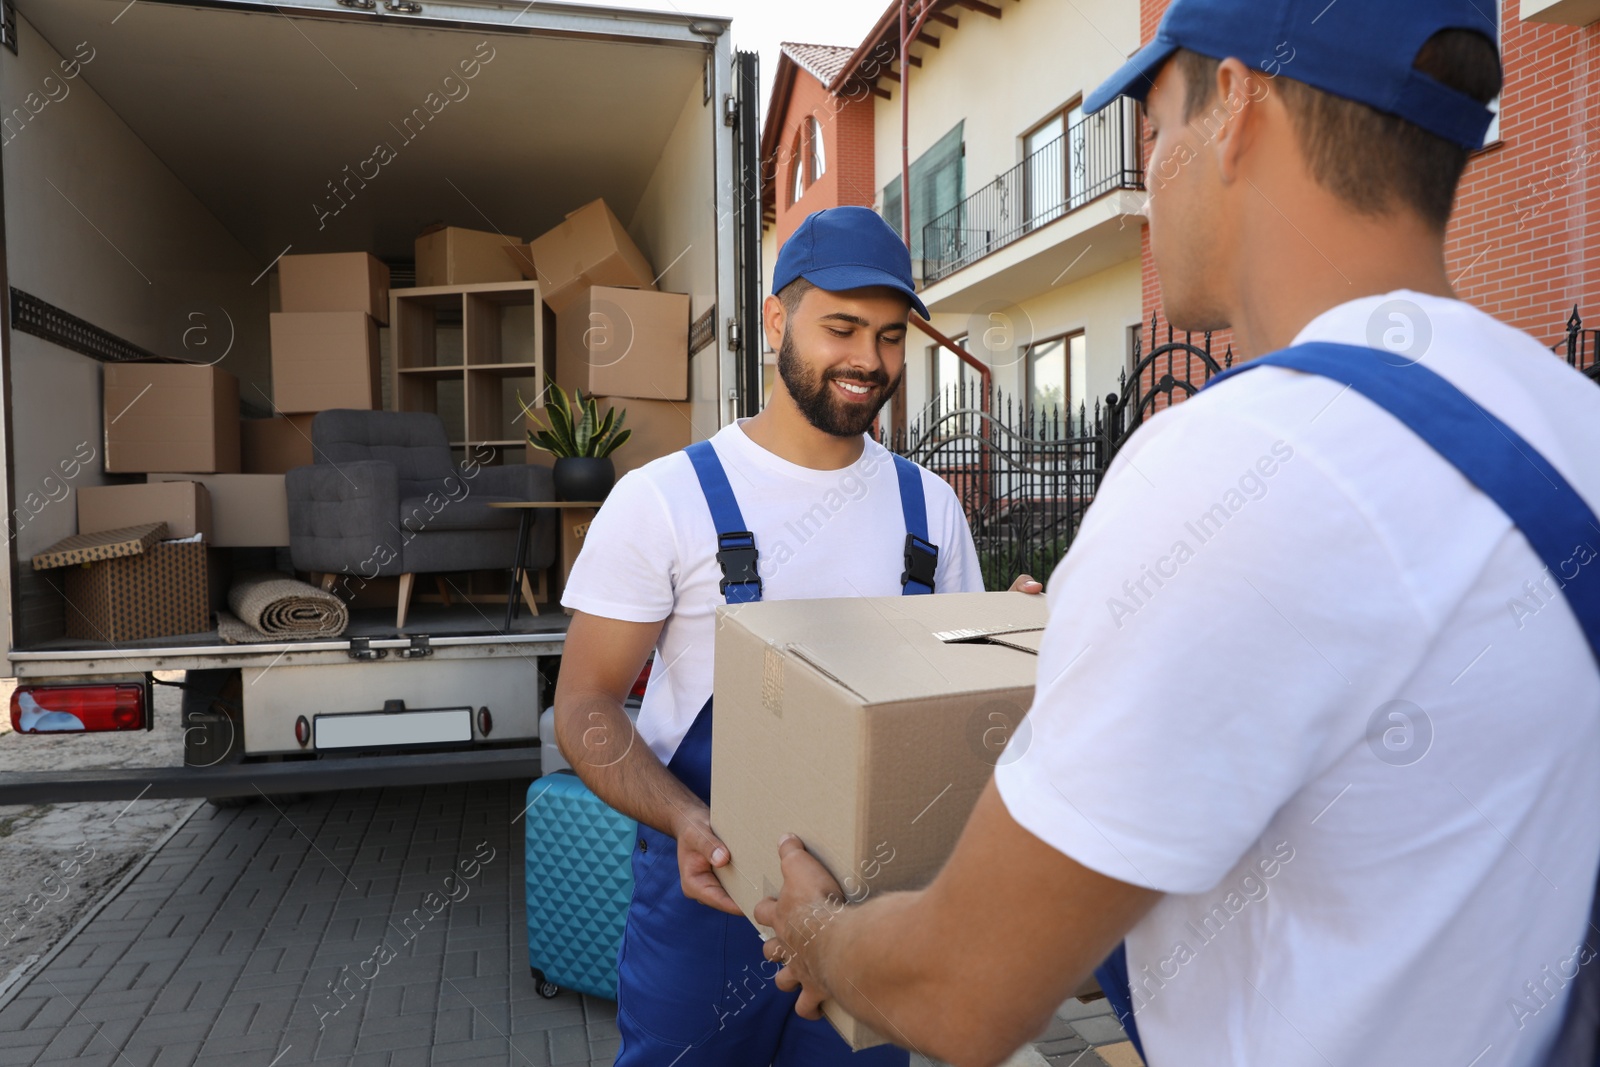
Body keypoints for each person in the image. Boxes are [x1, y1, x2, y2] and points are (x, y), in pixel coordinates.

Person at [754, 2, 1600, 1065]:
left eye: (1153, 126)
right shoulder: (1570, 423)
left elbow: (961, 993)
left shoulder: (1237, 465)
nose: (1151, 172)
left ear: (1237, 103)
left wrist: (818, 933)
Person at [554, 206, 1039, 1065]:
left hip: (873, 914)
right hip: (707, 896)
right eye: (842, 327)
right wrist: (688, 820)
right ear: (777, 320)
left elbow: (954, 695)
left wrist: (1016, 637)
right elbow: (585, 706)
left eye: (891, 338)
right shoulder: (666, 499)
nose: (869, 361)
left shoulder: (929, 507)